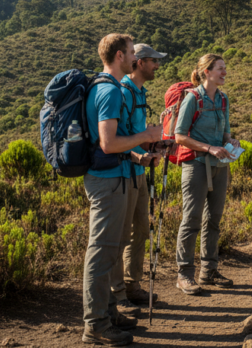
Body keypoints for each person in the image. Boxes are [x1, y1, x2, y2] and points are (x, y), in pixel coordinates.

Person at [83, 33, 164, 346]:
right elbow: (109, 143)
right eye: (132, 52)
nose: (135, 57)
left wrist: (143, 147)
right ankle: (96, 325)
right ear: (120, 55)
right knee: (102, 253)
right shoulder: (111, 91)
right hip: (109, 181)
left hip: (115, 176)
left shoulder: (105, 87)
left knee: (111, 250)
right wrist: (147, 134)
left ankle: (109, 313)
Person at [173, 53, 236, 295]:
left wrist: (231, 142)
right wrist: (209, 148)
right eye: (220, 68)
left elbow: (225, 134)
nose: (224, 72)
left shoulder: (223, 99)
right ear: (206, 72)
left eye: (225, 68)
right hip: (197, 166)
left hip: (220, 167)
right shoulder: (193, 99)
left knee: (214, 219)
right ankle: (184, 274)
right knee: (191, 220)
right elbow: (180, 136)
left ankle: (208, 271)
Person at [111, 44, 167, 309]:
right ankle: (117, 294)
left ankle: (132, 286)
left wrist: (154, 147)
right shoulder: (123, 92)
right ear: (140, 62)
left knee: (141, 231)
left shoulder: (140, 92)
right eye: (153, 61)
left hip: (139, 173)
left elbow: (136, 135)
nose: (157, 65)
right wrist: (139, 153)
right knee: (122, 235)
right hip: (124, 173)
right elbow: (117, 138)